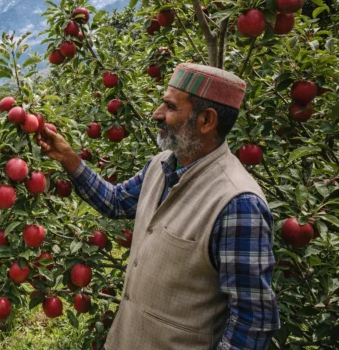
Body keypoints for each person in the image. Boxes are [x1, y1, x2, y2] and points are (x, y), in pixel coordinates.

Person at [36, 63, 280, 350]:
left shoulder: (237, 204)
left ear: (206, 120)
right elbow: (116, 202)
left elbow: (253, 322)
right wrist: (68, 158)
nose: (157, 115)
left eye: (171, 107)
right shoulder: (161, 165)